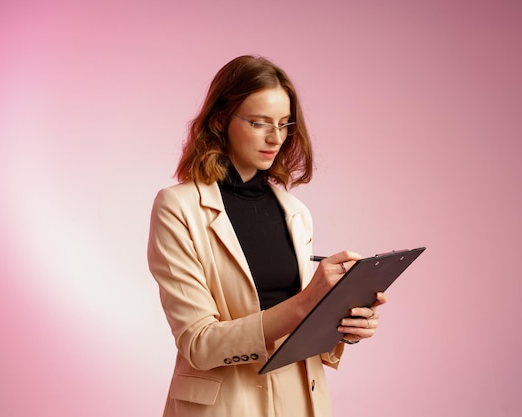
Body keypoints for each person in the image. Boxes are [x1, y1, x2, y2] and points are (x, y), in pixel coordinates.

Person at [147, 55, 387, 417]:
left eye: (283, 124)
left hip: (301, 401)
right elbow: (198, 343)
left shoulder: (296, 213)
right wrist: (307, 302)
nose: (275, 137)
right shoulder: (177, 207)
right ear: (219, 119)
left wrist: (343, 322)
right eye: (259, 123)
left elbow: (300, 333)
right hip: (224, 406)